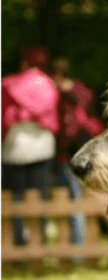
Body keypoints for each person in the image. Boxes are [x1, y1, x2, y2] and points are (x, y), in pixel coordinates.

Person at [2, 46, 60, 247]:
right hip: (42, 148)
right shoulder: (48, 85)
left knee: (16, 201)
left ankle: (18, 245)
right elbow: (52, 121)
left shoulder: (9, 85)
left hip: (14, 149)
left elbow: (5, 118)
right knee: (40, 199)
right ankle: (40, 243)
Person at [51, 57, 104, 249]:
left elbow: (64, 129)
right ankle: (87, 244)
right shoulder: (82, 91)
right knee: (88, 197)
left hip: (70, 154)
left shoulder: (60, 95)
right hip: (88, 149)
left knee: (75, 199)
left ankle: (79, 246)